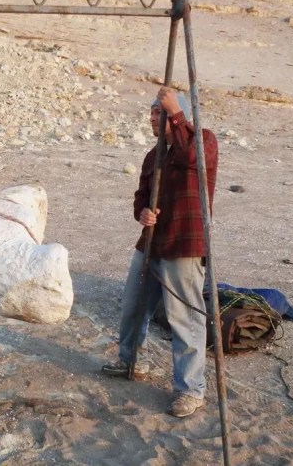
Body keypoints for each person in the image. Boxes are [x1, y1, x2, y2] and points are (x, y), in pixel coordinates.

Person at [102, 87, 218, 418]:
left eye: (159, 111)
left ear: (174, 113)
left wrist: (176, 114)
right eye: (151, 112)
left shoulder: (203, 140)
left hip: (184, 243)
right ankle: (129, 362)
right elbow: (141, 195)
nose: (152, 117)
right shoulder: (153, 156)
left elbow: (192, 159)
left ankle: (190, 390)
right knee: (134, 305)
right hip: (151, 243)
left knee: (185, 318)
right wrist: (142, 213)